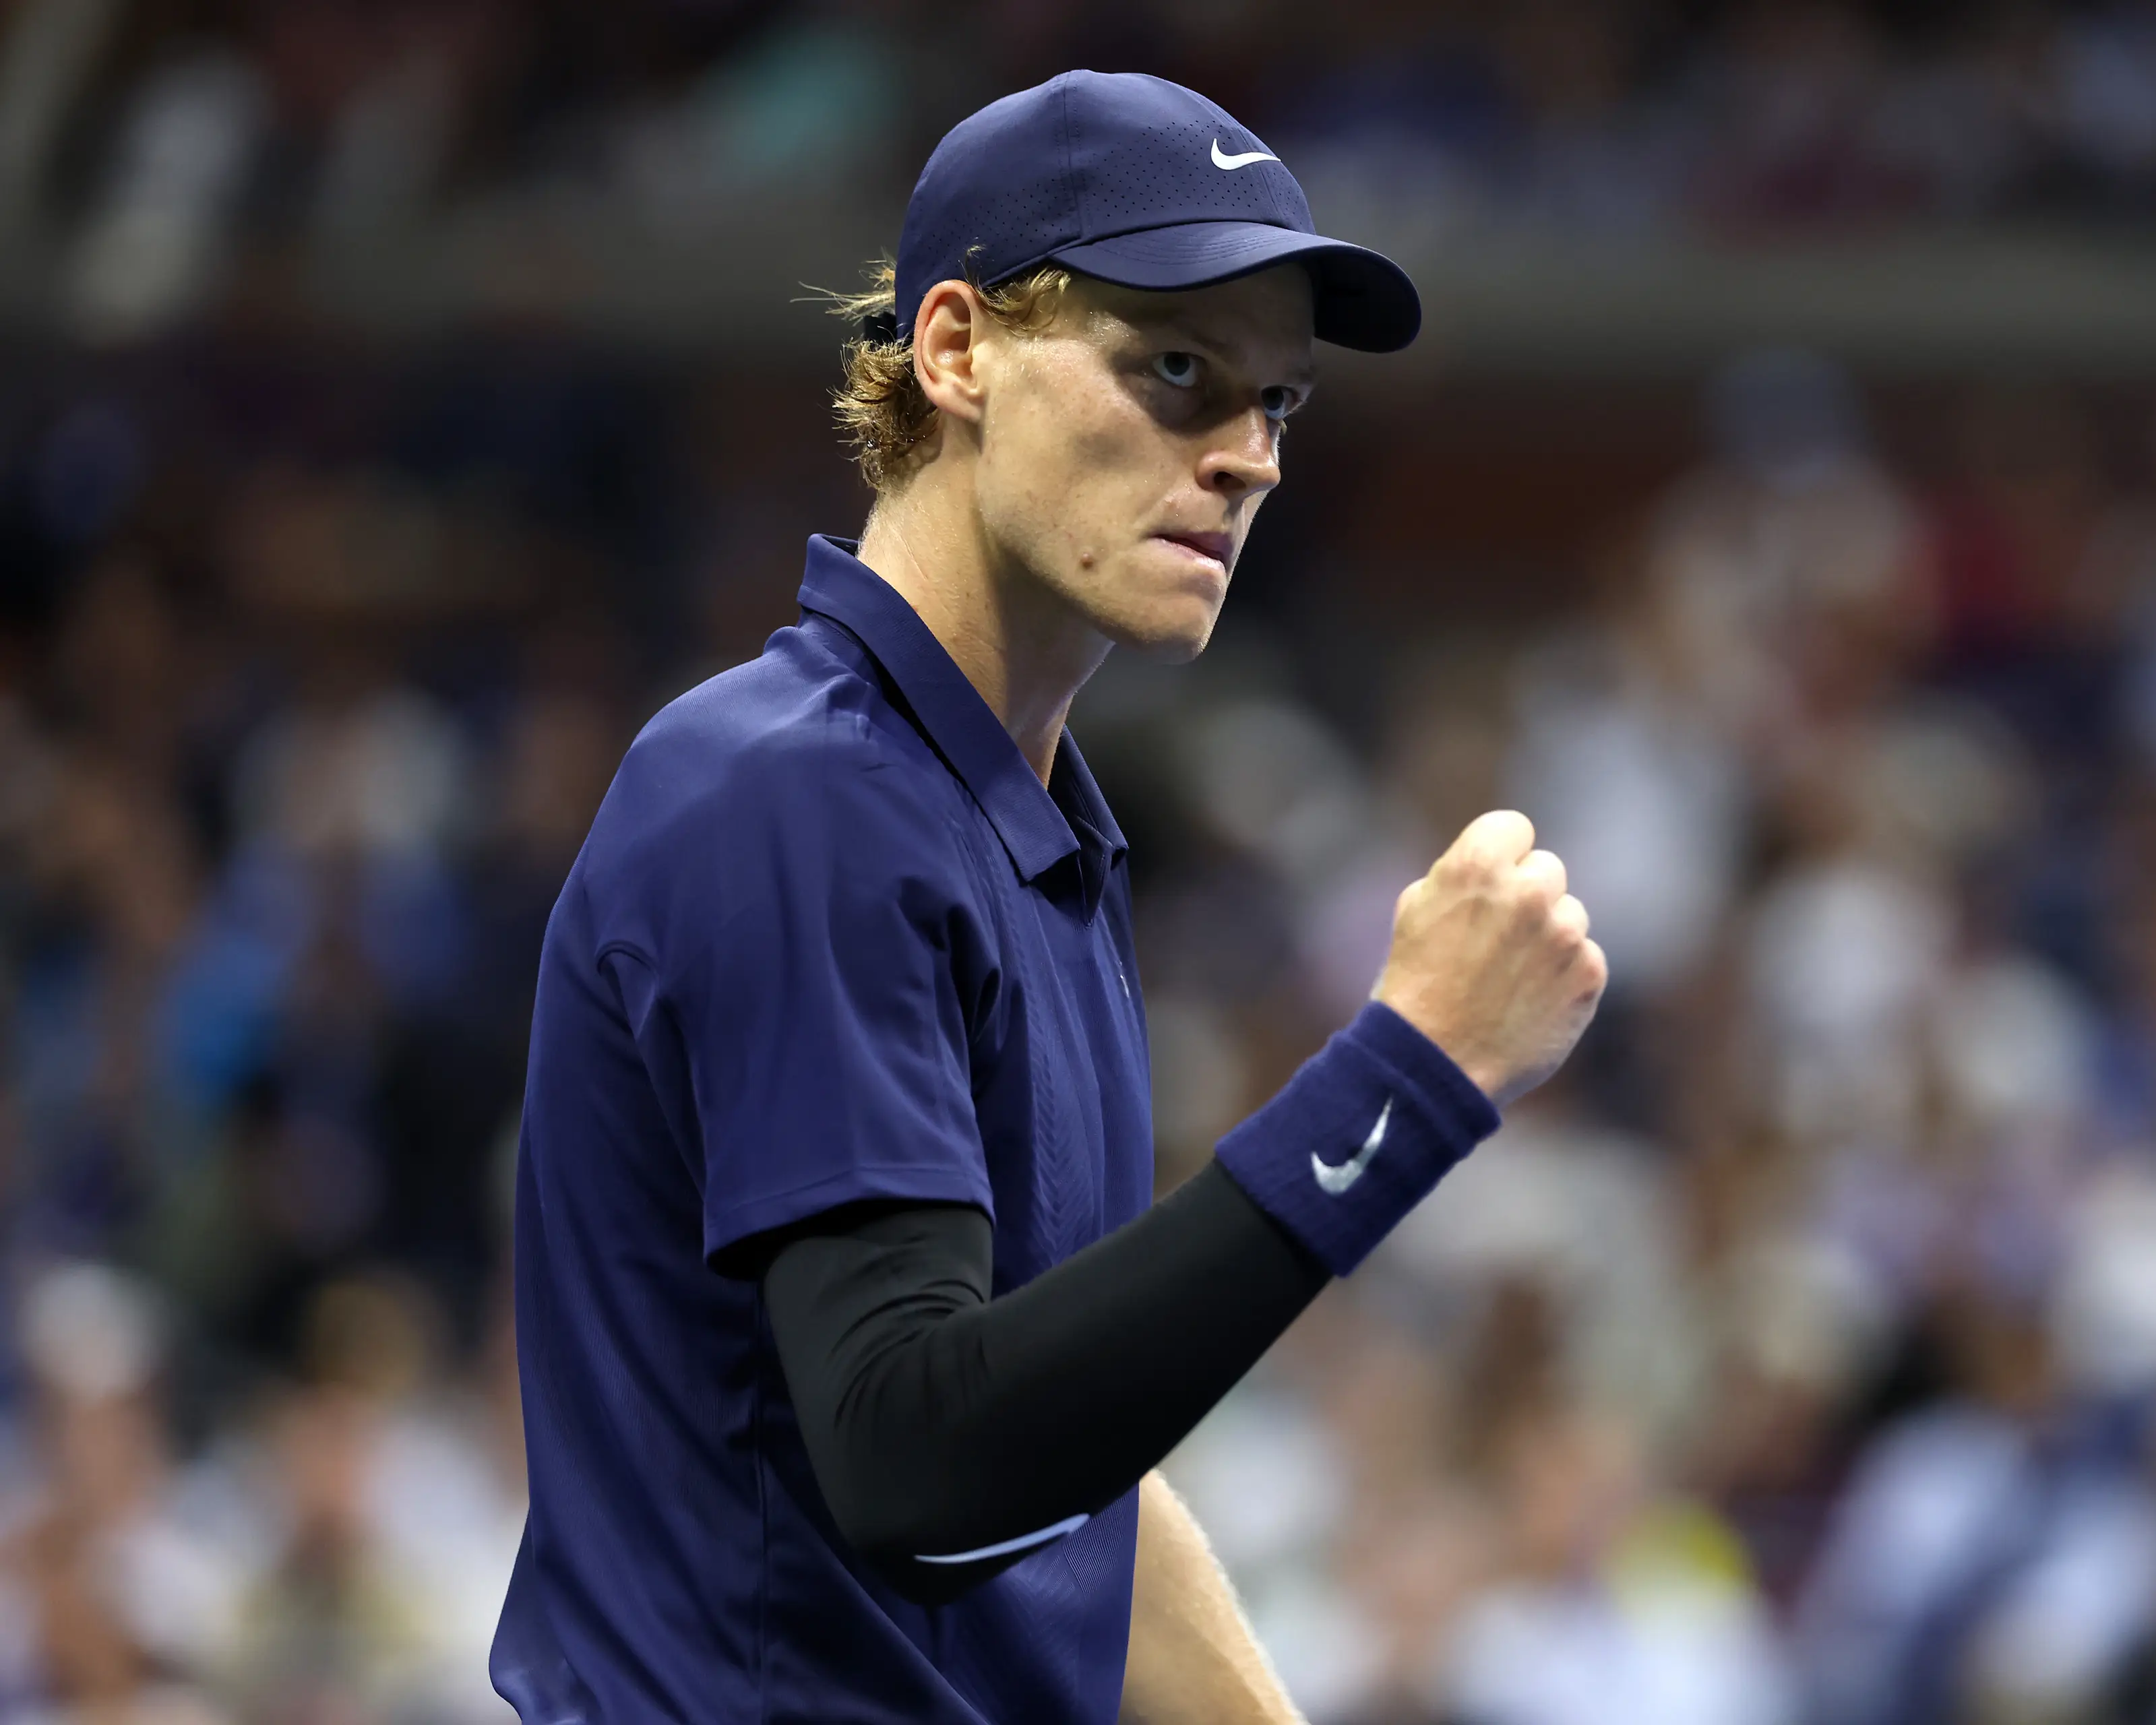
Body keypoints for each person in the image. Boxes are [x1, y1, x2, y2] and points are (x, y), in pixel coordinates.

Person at [488, 70, 1607, 1725]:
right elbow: (925, 1455)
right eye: (1174, 369)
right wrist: (1412, 1074)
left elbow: (1063, 1466)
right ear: (956, 353)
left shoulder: (1018, 824)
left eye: (1278, 406)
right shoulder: (797, 794)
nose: (1247, 460)